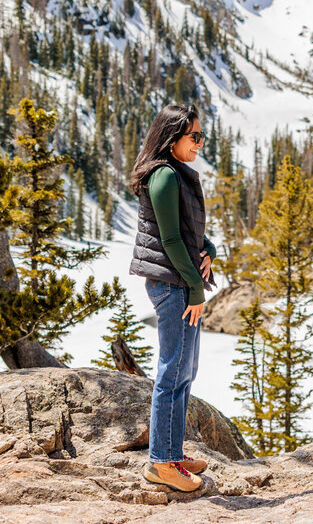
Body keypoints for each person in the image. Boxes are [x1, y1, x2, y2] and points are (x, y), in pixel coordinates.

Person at [128, 103, 217, 493]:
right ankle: (161, 463)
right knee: (171, 372)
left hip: (178, 281)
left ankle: (170, 451)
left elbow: (188, 231)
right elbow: (169, 240)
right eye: (194, 136)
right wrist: (195, 288)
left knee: (184, 371)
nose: (200, 143)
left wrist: (209, 249)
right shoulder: (163, 176)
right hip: (172, 285)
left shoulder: (175, 173)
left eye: (201, 136)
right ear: (173, 137)